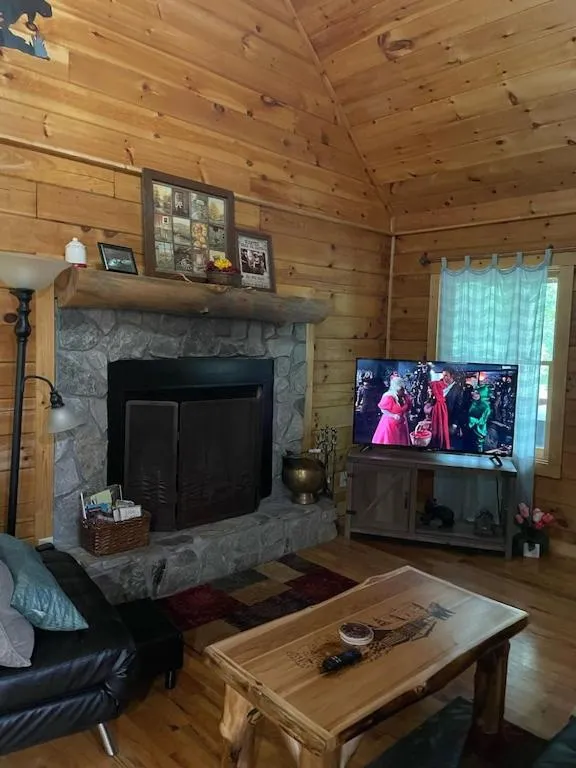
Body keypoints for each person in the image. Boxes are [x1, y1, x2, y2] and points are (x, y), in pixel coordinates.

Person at [372, 376, 412, 446]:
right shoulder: (388, 396)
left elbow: (408, 408)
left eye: (403, 388)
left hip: (402, 424)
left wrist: (406, 415)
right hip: (389, 425)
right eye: (400, 389)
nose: (403, 390)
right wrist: (393, 415)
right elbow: (383, 409)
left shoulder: (405, 396)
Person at [441, 366, 467, 450]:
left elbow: (459, 408)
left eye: (446, 375)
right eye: (443, 375)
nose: (443, 378)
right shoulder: (442, 387)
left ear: (452, 376)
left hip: (451, 421)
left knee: (450, 445)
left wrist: (455, 424)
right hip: (442, 419)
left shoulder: (458, 389)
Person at [464, 385, 491, 453]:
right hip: (470, 429)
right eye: (474, 392)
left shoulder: (486, 406)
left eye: (477, 393)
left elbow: (482, 421)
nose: (474, 394)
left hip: (479, 432)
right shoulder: (473, 402)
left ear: (482, 394)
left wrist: (471, 419)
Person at [427, 380, 451, 450]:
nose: (428, 390)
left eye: (430, 389)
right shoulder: (439, 401)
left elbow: (438, 423)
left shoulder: (439, 404)